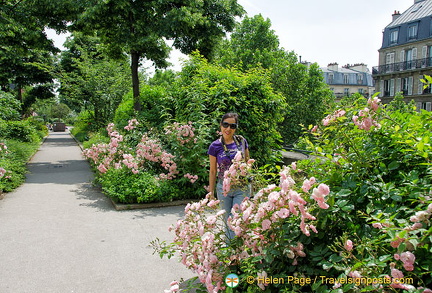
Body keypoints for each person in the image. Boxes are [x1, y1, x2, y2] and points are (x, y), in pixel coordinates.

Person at [207, 112, 250, 240]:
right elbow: (213, 171)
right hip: (223, 188)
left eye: (232, 126)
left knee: (237, 220)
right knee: (228, 222)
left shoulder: (241, 141)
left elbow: (248, 162)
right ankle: (230, 255)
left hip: (241, 187)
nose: (228, 129)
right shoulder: (215, 146)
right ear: (221, 125)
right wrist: (211, 193)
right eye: (226, 125)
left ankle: (235, 253)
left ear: (236, 128)